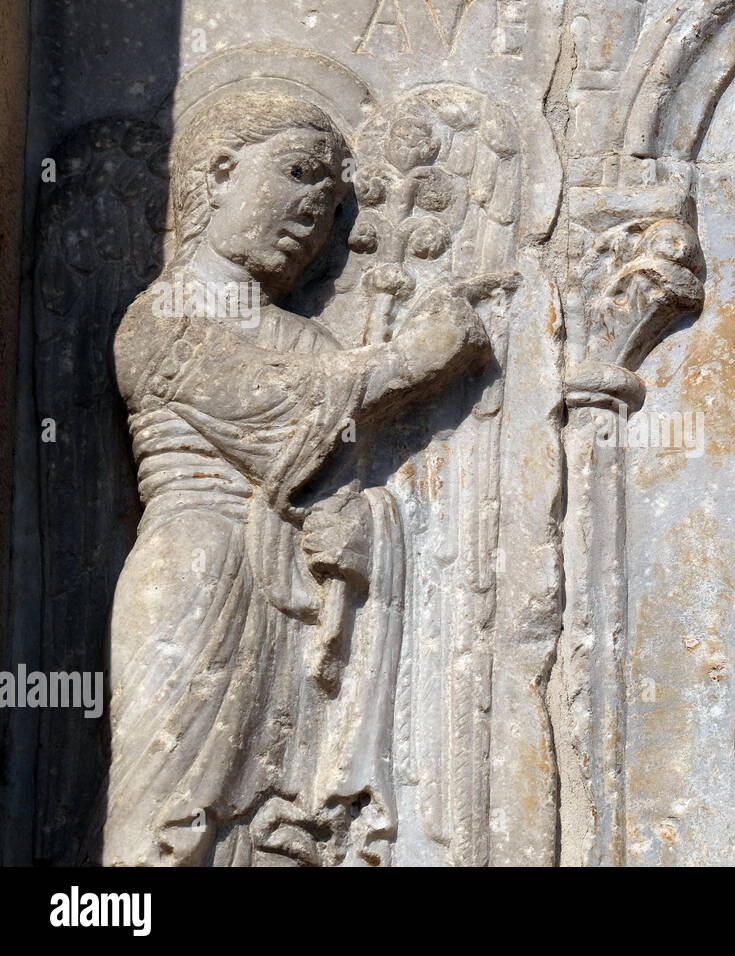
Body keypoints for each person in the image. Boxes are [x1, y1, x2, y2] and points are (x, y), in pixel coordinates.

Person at [105, 91, 488, 865]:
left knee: (282, 829)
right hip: (200, 576)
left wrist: (357, 521)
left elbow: (336, 463)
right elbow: (287, 421)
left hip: (297, 597)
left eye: (332, 203)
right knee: (164, 824)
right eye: (296, 173)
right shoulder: (162, 317)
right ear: (216, 173)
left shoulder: (307, 338)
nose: (312, 212)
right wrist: (415, 358)